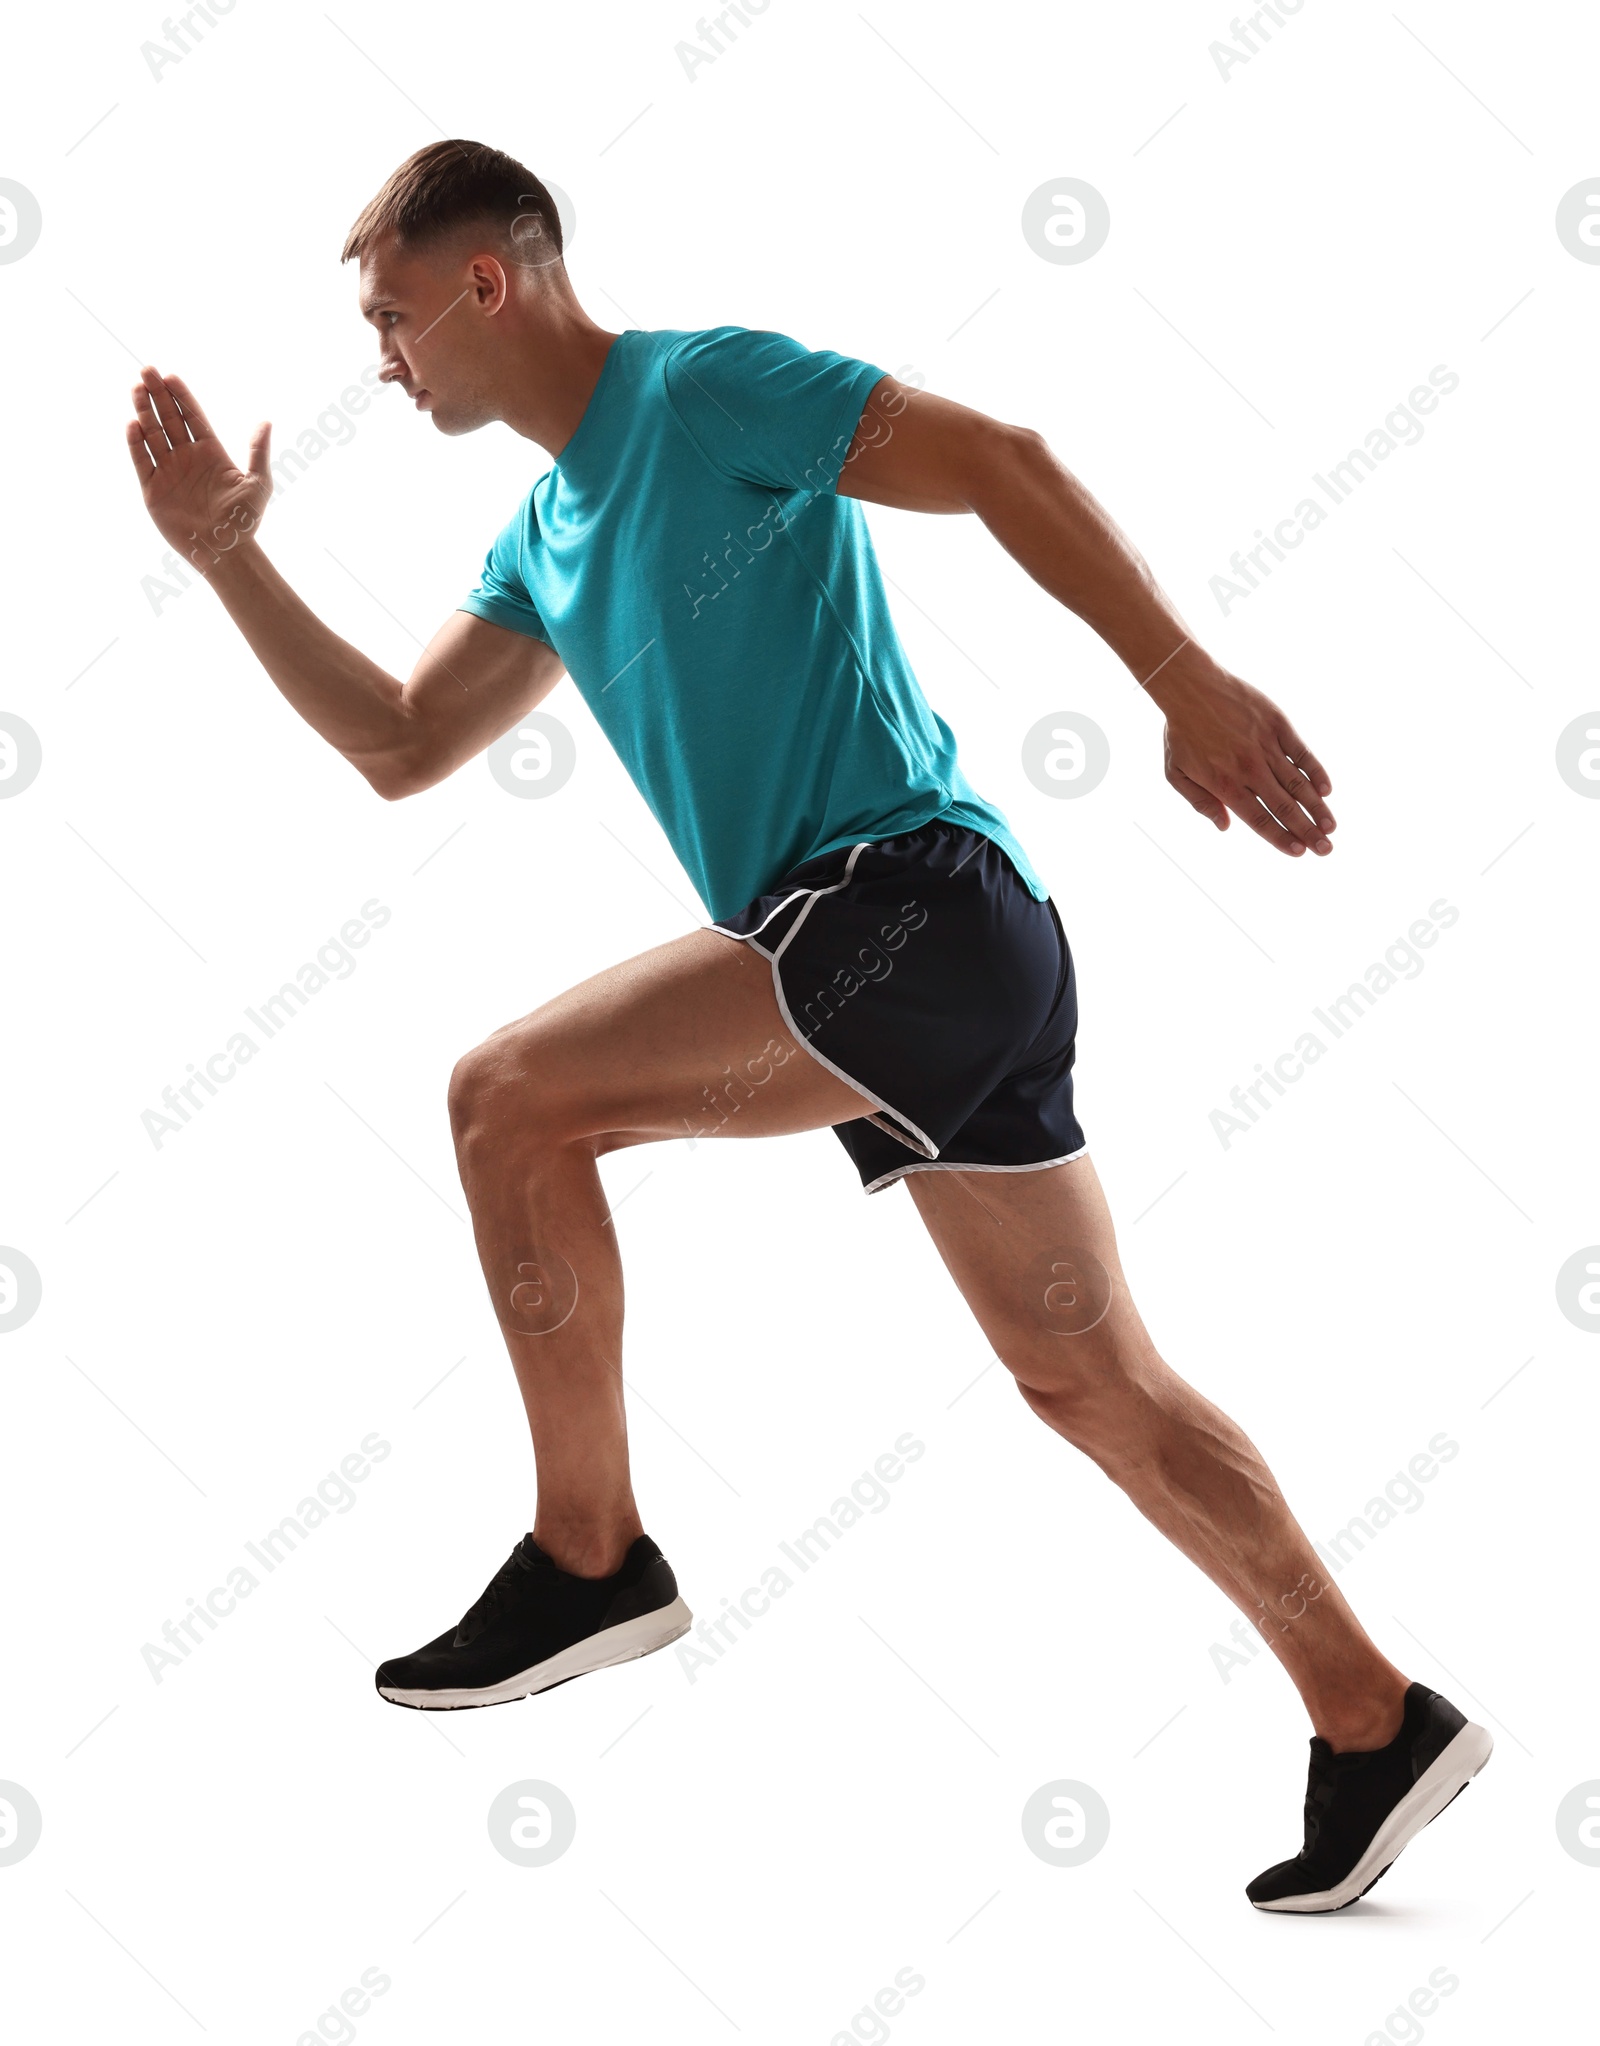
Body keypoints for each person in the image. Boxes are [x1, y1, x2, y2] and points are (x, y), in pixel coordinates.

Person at [124, 139, 1490, 1912]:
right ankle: (1373, 1716)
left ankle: (590, 1554)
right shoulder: (544, 533)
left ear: (489, 281)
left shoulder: (701, 386)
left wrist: (1181, 677)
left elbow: (998, 461)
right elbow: (396, 739)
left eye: (393, 314)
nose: (381, 356)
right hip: (931, 965)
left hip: (903, 907)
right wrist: (229, 561)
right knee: (1096, 1381)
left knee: (505, 1099)